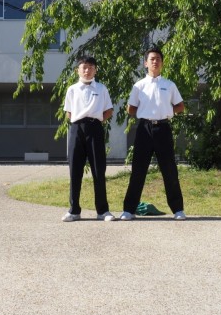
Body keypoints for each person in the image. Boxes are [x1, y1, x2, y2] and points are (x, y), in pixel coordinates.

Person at [120, 47, 186, 221]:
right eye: (152, 59)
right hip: (144, 129)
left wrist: (166, 110)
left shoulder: (169, 85)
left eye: (158, 59)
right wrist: (147, 111)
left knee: (169, 169)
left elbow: (180, 106)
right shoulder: (139, 85)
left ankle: (178, 209)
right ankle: (129, 209)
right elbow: (130, 108)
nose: (155, 61)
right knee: (138, 170)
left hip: (163, 128)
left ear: (162, 63)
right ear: (146, 63)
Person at [62, 56, 115, 222]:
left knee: (99, 170)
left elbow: (108, 110)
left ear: (95, 70)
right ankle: (74, 210)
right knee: (75, 171)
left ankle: (103, 211)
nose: (87, 70)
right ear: (78, 70)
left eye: (91, 67)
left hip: (95, 129)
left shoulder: (102, 88)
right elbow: (68, 112)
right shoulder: (72, 89)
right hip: (76, 129)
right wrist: (81, 121)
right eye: (84, 67)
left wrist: (95, 121)